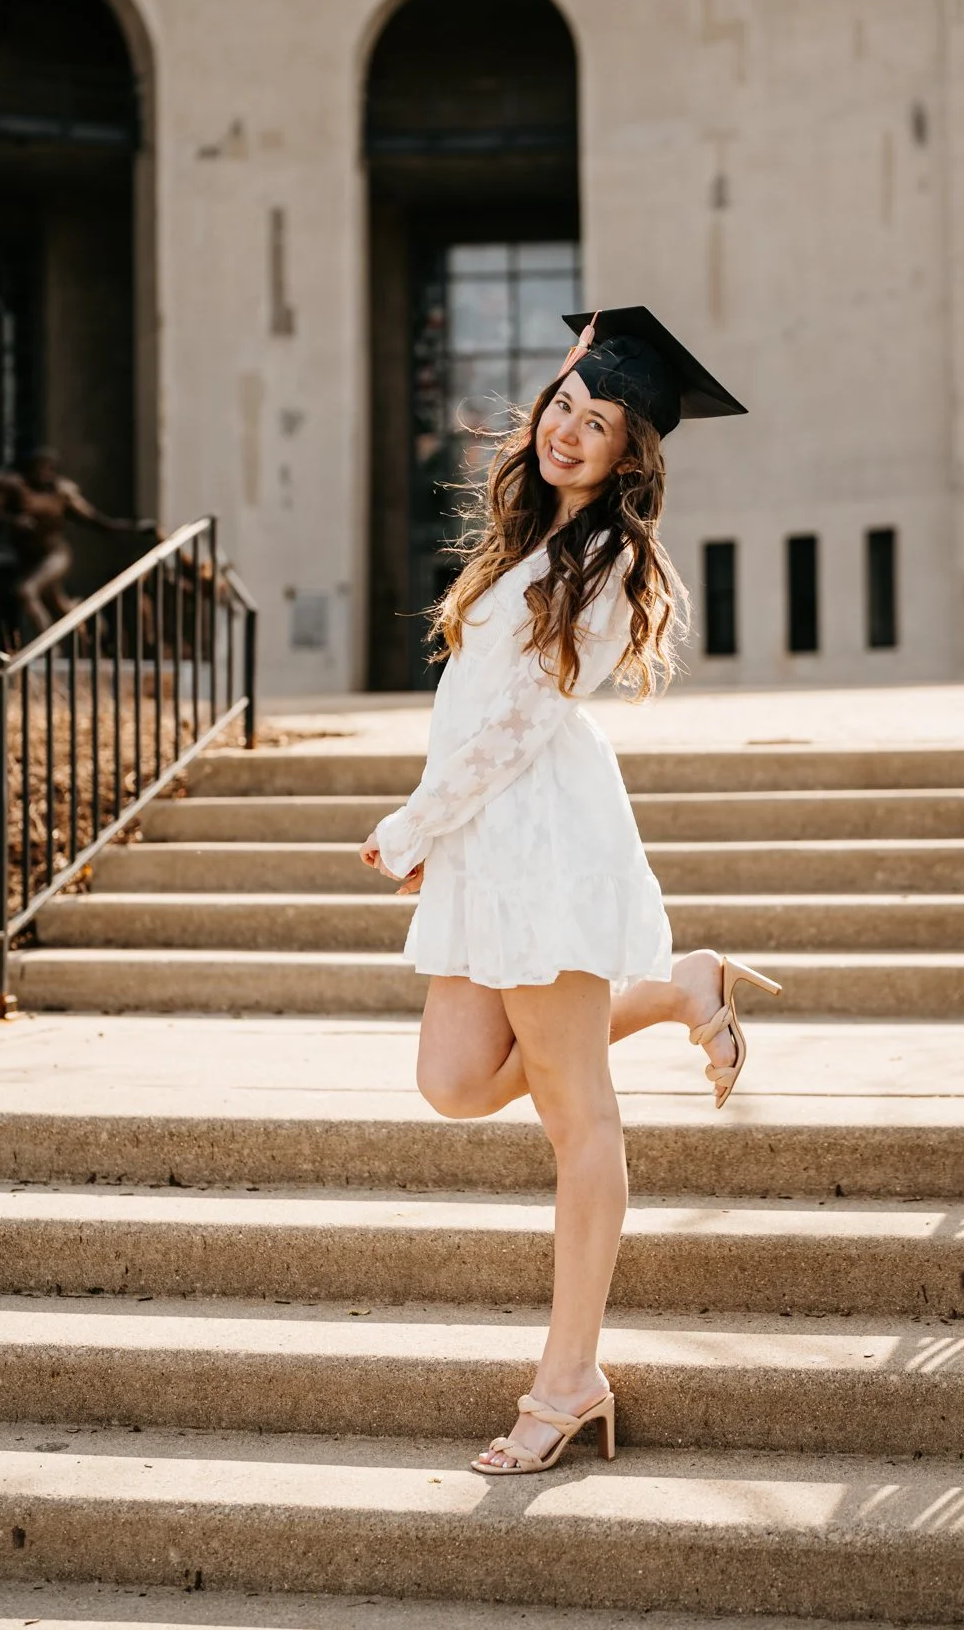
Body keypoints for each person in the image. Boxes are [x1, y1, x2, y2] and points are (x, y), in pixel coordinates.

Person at [360, 306, 781, 1478]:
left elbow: (514, 725)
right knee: (451, 1080)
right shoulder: (518, 540)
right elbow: (470, 715)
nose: (568, 430)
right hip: (486, 842)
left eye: (598, 421)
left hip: (542, 846)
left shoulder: (613, 566)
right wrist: (438, 826)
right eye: (563, 405)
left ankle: (569, 1376)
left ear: (630, 452)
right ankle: (678, 984)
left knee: (574, 1116)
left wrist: (412, 824)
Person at [0, 449, 154, 634]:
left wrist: (135, 528)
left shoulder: (62, 493)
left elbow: (97, 521)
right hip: (29, 558)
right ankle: (90, 621)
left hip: (54, 554)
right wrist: (13, 520)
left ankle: (48, 648)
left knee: (26, 591)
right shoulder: (13, 486)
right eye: (39, 468)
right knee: (58, 606)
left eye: (49, 469)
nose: (43, 474)